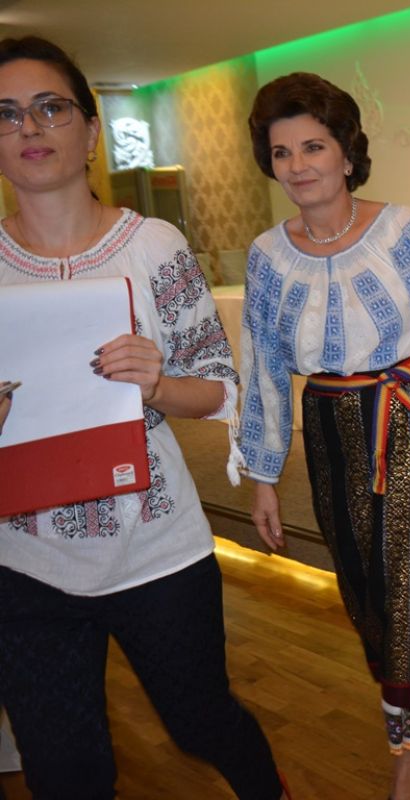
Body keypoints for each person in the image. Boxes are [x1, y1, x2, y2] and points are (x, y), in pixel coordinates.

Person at [0, 37, 286, 800]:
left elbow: (221, 391)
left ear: (91, 131)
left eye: (50, 107)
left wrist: (156, 384)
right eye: (6, 115)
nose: (29, 128)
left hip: (157, 550)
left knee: (201, 723)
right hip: (23, 564)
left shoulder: (153, 246)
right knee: (65, 772)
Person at [240, 71, 410, 800]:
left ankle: (408, 750)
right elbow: (263, 368)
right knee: (370, 593)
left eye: (314, 146)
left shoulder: (401, 230)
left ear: (347, 151)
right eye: (283, 151)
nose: (299, 166)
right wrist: (262, 476)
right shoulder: (267, 255)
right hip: (331, 433)